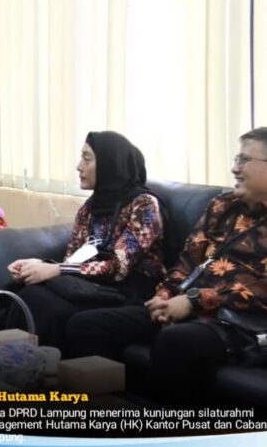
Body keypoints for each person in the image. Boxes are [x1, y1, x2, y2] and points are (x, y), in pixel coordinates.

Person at [66, 127, 267, 402]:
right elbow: (188, 260)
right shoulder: (222, 206)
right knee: (86, 325)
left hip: (240, 325)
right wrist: (165, 295)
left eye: (244, 160)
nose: (235, 168)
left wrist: (194, 301)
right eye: (236, 159)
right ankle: (113, 410)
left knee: (177, 340)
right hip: (185, 306)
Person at [6, 131, 166, 351]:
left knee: (53, 310)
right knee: (31, 295)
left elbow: (119, 267)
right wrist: (39, 266)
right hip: (93, 288)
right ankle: (10, 364)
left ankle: (44, 368)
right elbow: (73, 259)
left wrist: (56, 269)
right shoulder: (89, 208)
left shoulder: (144, 205)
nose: (79, 166)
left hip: (130, 294)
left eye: (87, 159)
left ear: (110, 164)